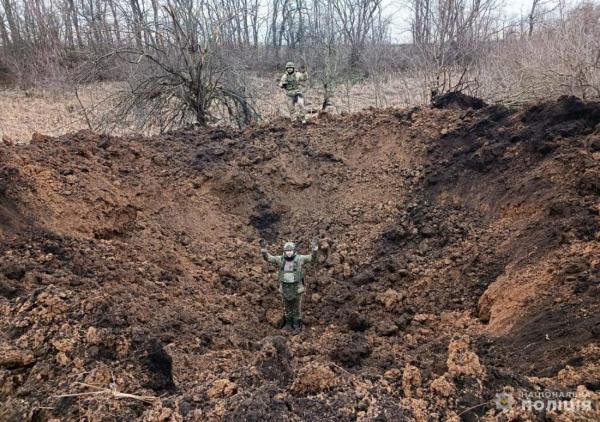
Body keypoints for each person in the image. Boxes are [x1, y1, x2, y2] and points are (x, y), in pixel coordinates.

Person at [259, 237, 319, 332]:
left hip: (297, 288)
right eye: (287, 251)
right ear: (284, 251)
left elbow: (312, 258)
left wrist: (315, 249)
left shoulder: (300, 259)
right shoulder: (280, 259)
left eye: (290, 251)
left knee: (296, 308)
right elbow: (268, 258)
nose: (289, 253)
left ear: (294, 251)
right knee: (287, 308)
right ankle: (288, 323)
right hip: (285, 288)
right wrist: (263, 249)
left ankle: (297, 325)